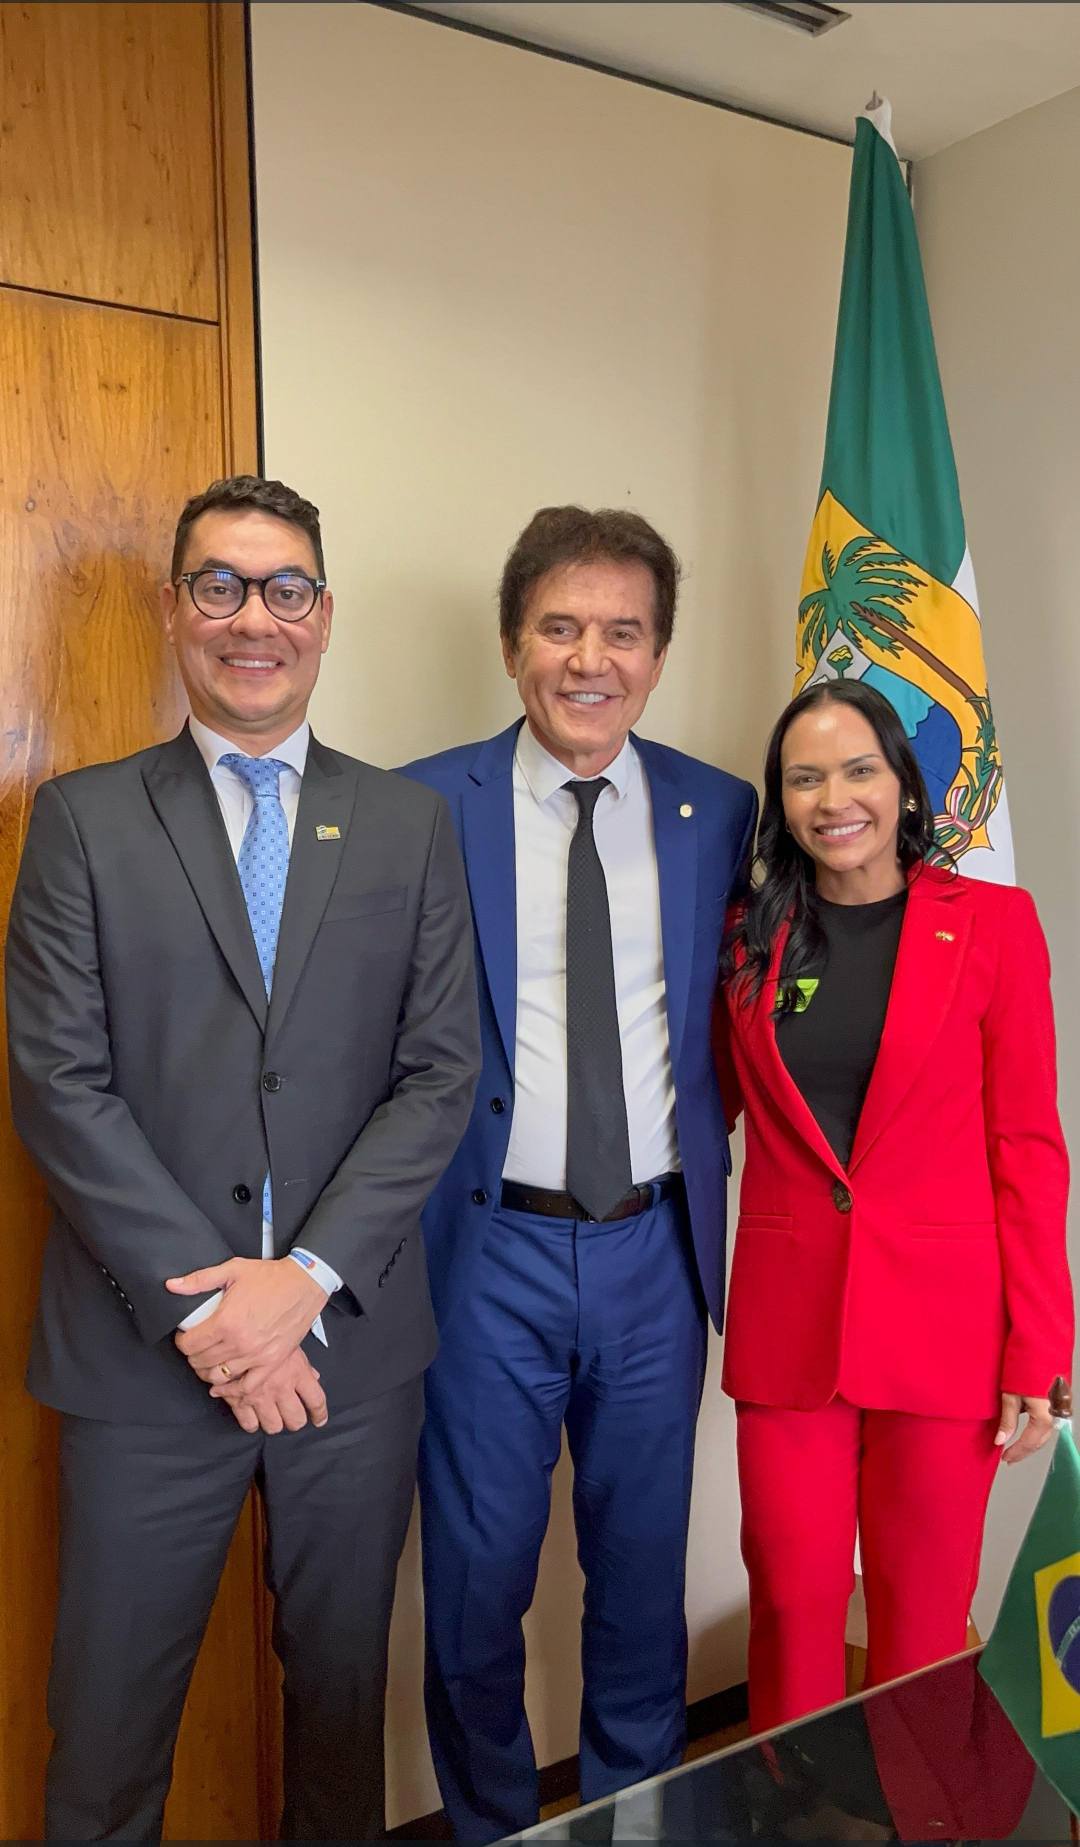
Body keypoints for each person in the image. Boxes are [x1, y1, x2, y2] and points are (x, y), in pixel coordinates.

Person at [5, 475, 480, 1842]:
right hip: (144, 1355)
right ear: (174, 609)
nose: (252, 619)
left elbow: (439, 1073)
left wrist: (305, 1278)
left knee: (339, 1722)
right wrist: (218, 1311)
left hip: (350, 1357)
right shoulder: (83, 820)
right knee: (104, 1736)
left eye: (284, 589)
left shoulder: (406, 823)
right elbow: (59, 1084)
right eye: (219, 585)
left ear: (323, 614)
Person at [401, 505, 758, 1841]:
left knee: (640, 1583)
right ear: (513, 644)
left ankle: (633, 1820)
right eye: (560, 626)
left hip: (655, 1251)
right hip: (485, 1252)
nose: (590, 658)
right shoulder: (421, 806)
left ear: (658, 653)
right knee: (474, 1586)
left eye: (623, 631)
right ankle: (492, 1822)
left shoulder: (718, 808)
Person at [716, 676, 1074, 1733]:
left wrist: (1040, 1348)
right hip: (790, 1332)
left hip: (946, 1331)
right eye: (805, 777)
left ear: (905, 785)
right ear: (782, 800)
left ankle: (921, 1806)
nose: (835, 798)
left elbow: (1028, 1145)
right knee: (794, 1604)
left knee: (921, 1623)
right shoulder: (746, 938)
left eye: (859, 769)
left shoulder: (994, 924)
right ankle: (794, 1802)